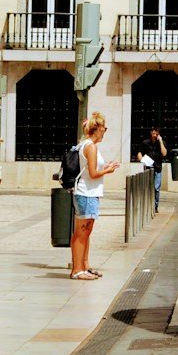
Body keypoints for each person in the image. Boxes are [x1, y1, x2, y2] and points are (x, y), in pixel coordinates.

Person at [69, 111, 118, 281]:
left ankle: (82, 267)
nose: (105, 130)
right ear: (97, 129)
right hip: (87, 193)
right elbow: (92, 173)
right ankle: (77, 270)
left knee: (84, 232)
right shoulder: (91, 146)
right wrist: (108, 170)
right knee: (82, 232)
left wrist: (106, 166)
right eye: (104, 127)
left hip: (89, 193)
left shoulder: (86, 145)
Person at [139, 127, 168, 208]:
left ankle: (155, 206)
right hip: (148, 168)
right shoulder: (145, 142)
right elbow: (139, 152)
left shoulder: (162, 143)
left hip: (157, 168)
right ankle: (147, 206)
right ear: (151, 133)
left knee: (156, 188)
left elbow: (164, 153)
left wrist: (161, 141)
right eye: (153, 132)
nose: (154, 134)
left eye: (156, 133)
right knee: (147, 188)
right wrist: (142, 159)